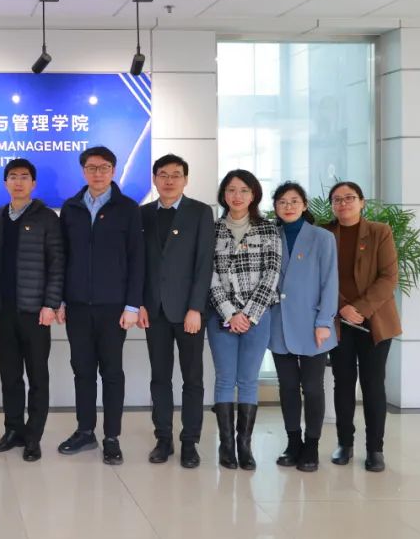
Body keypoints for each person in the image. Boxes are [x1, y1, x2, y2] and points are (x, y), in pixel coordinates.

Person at [57, 146, 145, 465]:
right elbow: (62, 257)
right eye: (92, 168)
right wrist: (60, 299)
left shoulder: (128, 208)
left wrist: (132, 305)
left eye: (104, 167)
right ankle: (85, 431)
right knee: (82, 370)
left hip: (113, 306)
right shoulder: (70, 208)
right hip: (78, 305)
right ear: (83, 171)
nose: (98, 173)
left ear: (113, 171)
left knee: (111, 372)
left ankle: (111, 437)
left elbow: (137, 259)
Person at [137, 154, 215, 469]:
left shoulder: (200, 212)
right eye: (163, 174)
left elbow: (204, 263)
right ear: (154, 179)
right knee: (160, 378)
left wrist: (196, 307)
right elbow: (138, 263)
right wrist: (140, 303)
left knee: (192, 378)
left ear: (186, 179)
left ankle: (190, 442)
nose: (169, 180)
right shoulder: (142, 214)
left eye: (176, 175)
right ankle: (163, 439)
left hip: (188, 313)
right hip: (154, 311)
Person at [0, 158, 63, 463]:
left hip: (35, 312)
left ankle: (33, 437)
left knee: (37, 377)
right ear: (5, 182)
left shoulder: (47, 218)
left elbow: (57, 263)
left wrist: (51, 304)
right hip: (2, 311)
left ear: (33, 183)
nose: (18, 182)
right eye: (12, 177)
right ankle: (13, 430)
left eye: (24, 177)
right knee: (10, 376)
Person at [322, 181, 401, 473]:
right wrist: (343, 307)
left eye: (349, 198)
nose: (343, 203)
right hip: (338, 321)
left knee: (373, 384)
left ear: (362, 202)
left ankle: (375, 449)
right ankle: (345, 443)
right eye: (337, 199)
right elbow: (319, 277)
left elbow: (388, 277)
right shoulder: (324, 233)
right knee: (342, 383)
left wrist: (361, 308)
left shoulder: (380, 232)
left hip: (375, 321)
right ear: (331, 205)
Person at [207, 169, 281, 471]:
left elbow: (271, 274)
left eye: (244, 190)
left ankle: (244, 445)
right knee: (225, 378)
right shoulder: (212, 229)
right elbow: (208, 274)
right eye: (231, 190)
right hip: (221, 315)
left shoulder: (268, 229)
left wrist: (248, 314)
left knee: (248, 380)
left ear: (254, 195)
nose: (237, 196)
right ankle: (226, 446)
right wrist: (230, 313)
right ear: (223, 194)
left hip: (258, 316)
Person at [268, 182, 338, 472]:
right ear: (275, 207)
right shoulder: (270, 235)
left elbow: (330, 282)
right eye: (282, 202)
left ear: (304, 205)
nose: (288, 206)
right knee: (287, 387)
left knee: (312, 387)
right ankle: (293, 442)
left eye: (294, 201)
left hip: (313, 325)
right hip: (278, 323)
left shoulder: (322, 237)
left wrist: (324, 322)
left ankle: (312, 445)